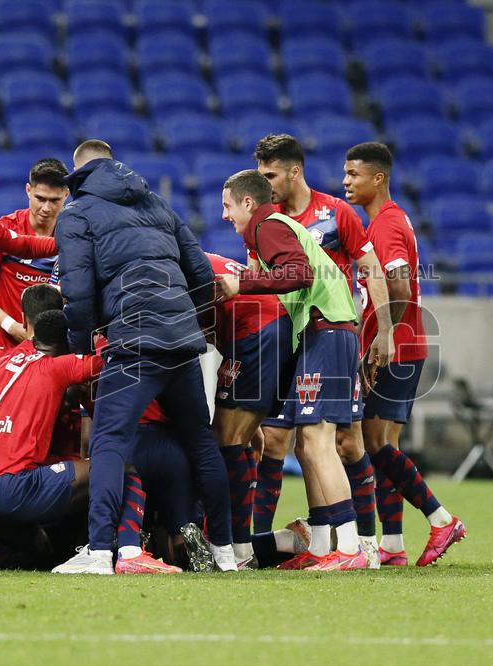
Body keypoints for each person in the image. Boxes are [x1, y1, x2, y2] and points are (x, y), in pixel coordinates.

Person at [52, 139, 235, 574]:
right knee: (201, 441)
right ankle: (227, 553)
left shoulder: (77, 213)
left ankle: (100, 552)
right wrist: (185, 320)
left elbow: (77, 289)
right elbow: (201, 272)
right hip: (182, 341)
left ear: (78, 174)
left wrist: (83, 344)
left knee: (108, 441)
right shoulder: (158, 205)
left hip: (134, 342)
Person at [251, 134, 394, 565]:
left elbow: (371, 268)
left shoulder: (335, 213)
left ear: (294, 171)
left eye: (270, 175)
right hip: (290, 337)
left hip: (328, 331)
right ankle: (282, 546)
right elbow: (260, 282)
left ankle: (363, 543)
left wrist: (384, 330)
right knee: (281, 440)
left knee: (343, 442)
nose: (264, 183)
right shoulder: (266, 220)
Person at [217, 169, 366, 571]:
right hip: (324, 330)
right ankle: (319, 546)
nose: (225, 215)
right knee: (305, 445)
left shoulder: (268, 225)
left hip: (326, 329)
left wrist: (243, 284)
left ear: (249, 203)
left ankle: (349, 548)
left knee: (318, 441)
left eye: (228, 206)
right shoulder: (274, 227)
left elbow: (300, 273)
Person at [341, 141, 466, 567]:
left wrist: (385, 335)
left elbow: (398, 285)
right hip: (403, 344)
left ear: (378, 178)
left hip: (395, 346)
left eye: (354, 174)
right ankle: (393, 544)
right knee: (386, 445)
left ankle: (441, 519)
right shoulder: (389, 220)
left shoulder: (387, 225)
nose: (345, 182)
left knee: (374, 443)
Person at [0, 310, 95, 571]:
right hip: (13, 487)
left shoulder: (2, 363)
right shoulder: (55, 367)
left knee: (41, 548)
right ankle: (104, 550)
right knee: (112, 467)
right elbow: (104, 363)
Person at [206, 251, 293, 567]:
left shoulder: (179, 270)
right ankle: (242, 543)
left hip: (256, 331)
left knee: (227, 439)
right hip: (267, 328)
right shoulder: (201, 260)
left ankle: (239, 547)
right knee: (235, 439)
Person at [0, 158, 69, 362]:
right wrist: (10, 326)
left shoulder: (73, 236)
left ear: (66, 195)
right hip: (1, 349)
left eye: (54, 201)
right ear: (28, 190)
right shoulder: (5, 230)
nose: (46, 208)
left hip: (49, 353)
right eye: (40, 198)